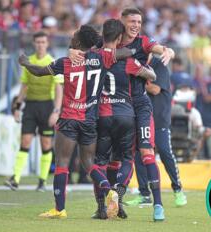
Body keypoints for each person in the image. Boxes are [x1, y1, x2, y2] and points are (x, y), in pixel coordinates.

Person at [69, 7, 175, 222]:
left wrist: (167, 50)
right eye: (132, 21)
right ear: (122, 22)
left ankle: (157, 205)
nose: (136, 25)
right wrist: (72, 51)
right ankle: (109, 202)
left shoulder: (143, 41)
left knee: (146, 152)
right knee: (115, 158)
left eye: (139, 21)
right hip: (118, 107)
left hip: (140, 105)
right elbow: (80, 47)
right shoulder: (106, 42)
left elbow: (157, 48)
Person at [19, 24, 133, 219]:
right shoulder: (102, 58)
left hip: (69, 119)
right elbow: (128, 51)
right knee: (89, 163)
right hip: (90, 120)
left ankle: (59, 209)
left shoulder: (65, 62)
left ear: (78, 42)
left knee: (62, 163)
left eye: (74, 35)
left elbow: (38, 72)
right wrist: (103, 49)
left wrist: (25, 63)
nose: (72, 37)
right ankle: (110, 191)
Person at [92, 19, 157, 220]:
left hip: (102, 116)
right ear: (120, 37)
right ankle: (118, 196)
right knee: (125, 159)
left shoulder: (94, 57)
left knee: (101, 162)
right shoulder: (128, 60)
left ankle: (102, 208)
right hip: (126, 115)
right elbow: (152, 76)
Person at [4, 31, 63, 192]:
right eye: (37, 42)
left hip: (46, 106)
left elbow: (59, 89)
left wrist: (56, 111)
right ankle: (15, 179)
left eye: (43, 42)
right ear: (34, 44)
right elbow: (24, 86)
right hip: (30, 106)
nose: (40, 45)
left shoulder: (52, 62)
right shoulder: (28, 62)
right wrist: (17, 107)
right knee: (25, 142)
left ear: (47, 44)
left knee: (45, 144)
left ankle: (42, 181)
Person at [126, 57, 187, 208]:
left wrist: (135, 83)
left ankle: (178, 189)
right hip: (143, 118)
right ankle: (144, 194)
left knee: (165, 153)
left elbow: (156, 89)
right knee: (140, 155)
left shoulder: (159, 66)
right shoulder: (137, 64)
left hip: (159, 118)